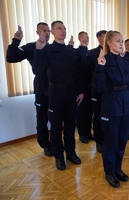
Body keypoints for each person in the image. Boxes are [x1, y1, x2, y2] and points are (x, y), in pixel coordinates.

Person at [92, 31, 129, 188]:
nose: (121, 44)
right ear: (109, 43)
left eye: (122, 41)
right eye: (118, 41)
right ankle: (110, 172)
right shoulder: (103, 61)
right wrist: (99, 67)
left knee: (122, 141)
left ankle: (117, 169)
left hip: (126, 105)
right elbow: (97, 88)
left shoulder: (126, 62)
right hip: (111, 107)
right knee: (111, 142)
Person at [34, 21, 84, 170]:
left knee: (70, 126)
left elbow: (78, 73)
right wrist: (38, 50)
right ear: (53, 32)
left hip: (71, 94)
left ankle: (71, 153)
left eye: (65, 28)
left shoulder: (71, 51)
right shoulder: (47, 49)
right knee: (55, 127)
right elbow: (38, 70)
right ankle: (58, 156)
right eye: (59, 28)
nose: (63, 31)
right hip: (55, 94)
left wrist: (81, 91)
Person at [6, 23, 52, 156]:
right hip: (41, 88)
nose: (47, 33)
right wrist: (16, 40)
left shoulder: (53, 48)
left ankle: (56, 143)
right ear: (37, 32)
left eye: (49, 31)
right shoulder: (31, 47)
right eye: (44, 31)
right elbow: (11, 58)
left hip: (56, 89)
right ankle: (45, 145)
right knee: (42, 118)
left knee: (56, 118)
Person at [76, 31, 95, 144]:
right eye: (84, 37)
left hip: (90, 87)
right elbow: (81, 69)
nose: (86, 39)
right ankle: (82, 134)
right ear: (79, 38)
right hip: (81, 88)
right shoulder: (76, 52)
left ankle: (88, 132)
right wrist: (80, 90)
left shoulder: (89, 53)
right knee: (82, 113)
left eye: (87, 37)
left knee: (89, 112)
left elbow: (90, 68)